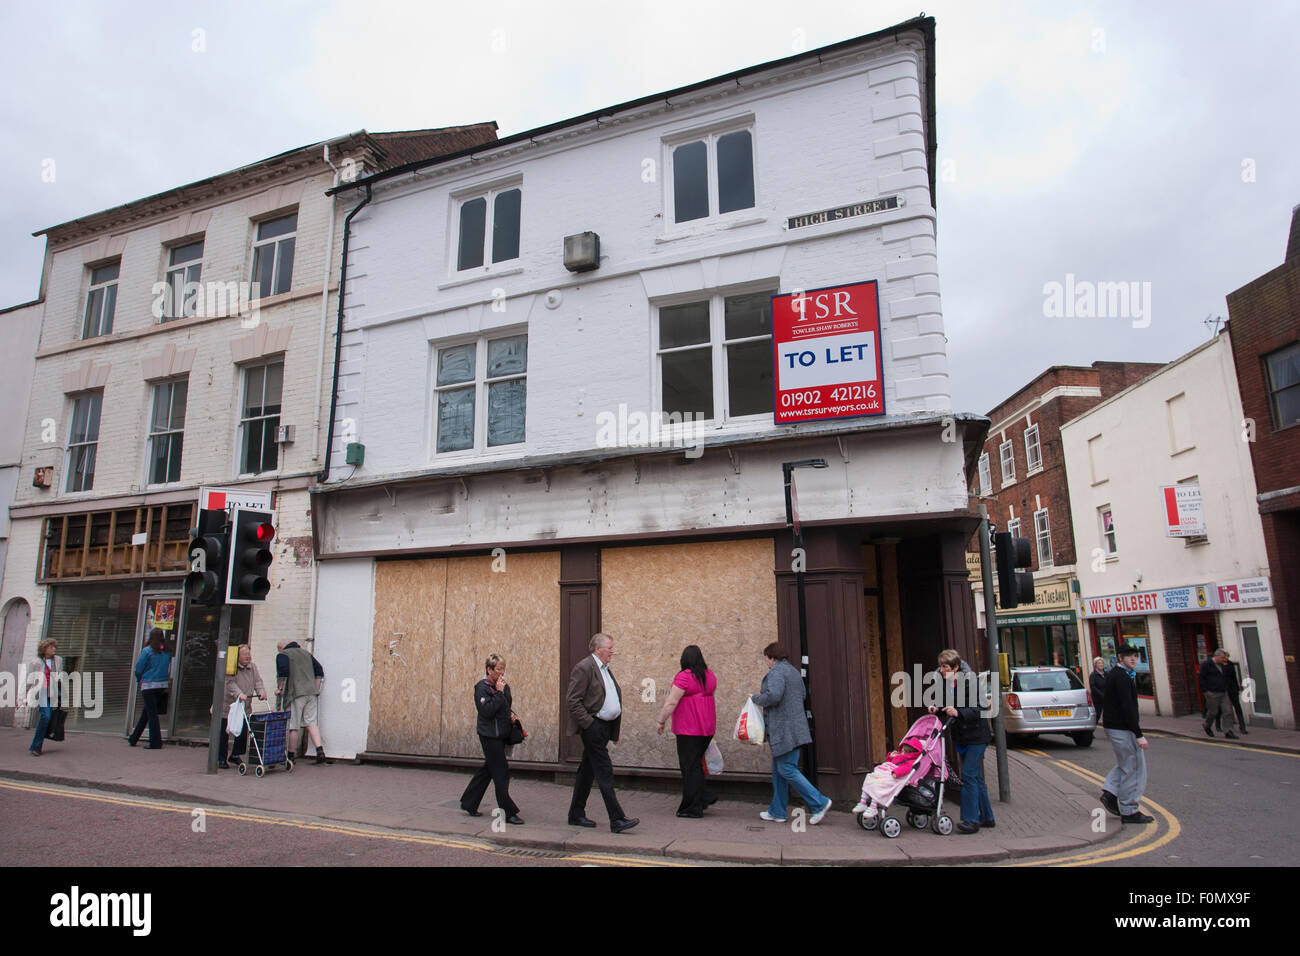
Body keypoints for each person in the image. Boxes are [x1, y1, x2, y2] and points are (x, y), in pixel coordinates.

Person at [750, 642, 831, 825]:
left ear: (772, 657)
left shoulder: (777, 672)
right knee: (779, 771)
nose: (766, 663)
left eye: (766, 659)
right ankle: (777, 811)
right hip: (795, 729)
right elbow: (802, 695)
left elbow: (774, 696)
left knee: (786, 769)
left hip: (784, 730)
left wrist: (756, 698)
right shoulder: (793, 672)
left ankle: (820, 802)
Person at [566, 633, 638, 833]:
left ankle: (575, 814)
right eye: (609, 647)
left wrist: (613, 728)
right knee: (604, 771)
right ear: (598, 649)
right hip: (593, 728)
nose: (612, 651)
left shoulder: (604, 668)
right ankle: (617, 819)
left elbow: (609, 698)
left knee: (587, 772)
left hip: (604, 728)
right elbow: (573, 701)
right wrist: (589, 725)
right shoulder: (584, 667)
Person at [929, 648, 994, 834]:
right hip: (962, 736)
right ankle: (987, 817)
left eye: (945, 667)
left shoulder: (970, 683)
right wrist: (938, 709)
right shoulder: (945, 682)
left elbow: (980, 708)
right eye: (941, 666)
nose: (942, 670)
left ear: (956, 667)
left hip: (976, 737)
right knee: (976, 778)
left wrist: (958, 713)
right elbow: (948, 705)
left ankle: (970, 820)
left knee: (968, 776)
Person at [460, 654, 523, 825]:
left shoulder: (503, 686)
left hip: (501, 734)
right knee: (501, 773)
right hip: (489, 736)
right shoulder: (482, 688)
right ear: (489, 670)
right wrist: (498, 693)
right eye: (498, 670)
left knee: (488, 769)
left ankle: (469, 802)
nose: (502, 673)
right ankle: (507, 812)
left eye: (503, 669)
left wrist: (510, 715)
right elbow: (486, 711)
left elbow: (506, 704)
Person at [655, 645, 718, 818]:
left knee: (689, 767)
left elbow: (671, 702)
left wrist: (661, 721)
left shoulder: (684, 677)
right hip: (707, 727)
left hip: (688, 728)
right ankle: (704, 796)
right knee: (695, 764)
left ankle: (692, 807)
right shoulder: (710, 675)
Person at [1100, 642, 1153, 824]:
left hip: (1115, 726)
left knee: (1125, 763)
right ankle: (1130, 810)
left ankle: (1110, 791)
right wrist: (1138, 734)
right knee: (1135, 767)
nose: (1133, 658)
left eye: (1135, 655)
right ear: (1120, 658)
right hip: (1122, 728)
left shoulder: (1119, 674)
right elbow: (1127, 707)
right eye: (1129, 655)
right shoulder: (1121, 677)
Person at [276, 640, 332, 764]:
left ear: (280, 648)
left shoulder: (283, 655)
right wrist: (315, 689)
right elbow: (319, 670)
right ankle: (319, 750)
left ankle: (290, 755)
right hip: (311, 692)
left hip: (296, 693)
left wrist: (280, 689)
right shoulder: (306, 653)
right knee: (311, 722)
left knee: (293, 726)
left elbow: (283, 673)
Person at [221, 644, 266, 769]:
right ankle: (221, 758)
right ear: (237, 656)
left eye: (248, 654)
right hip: (229, 705)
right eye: (244, 654)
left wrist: (261, 692)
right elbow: (230, 683)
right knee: (224, 732)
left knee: (243, 731)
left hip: (244, 705)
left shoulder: (253, 667)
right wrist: (239, 693)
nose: (247, 657)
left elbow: (258, 681)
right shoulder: (231, 667)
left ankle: (235, 754)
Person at [128, 629, 172, 750]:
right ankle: (133, 738)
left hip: (148, 685)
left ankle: (156, 742)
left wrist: (139, 678)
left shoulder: (147, 651)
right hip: (162, 685)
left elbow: (138, 668)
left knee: (152, 714)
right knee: (147, 713)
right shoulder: (166, 651)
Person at [28, 639, 62, 756]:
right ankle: (36, 746)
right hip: (41, 692)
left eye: (54, 647)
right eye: (51, 647)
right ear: (44, 649)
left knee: (49, 718)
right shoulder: (36, 662)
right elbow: (30, 680)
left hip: (52, 692)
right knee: (46, 716)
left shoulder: (58, 660)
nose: (54, 649)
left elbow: (59, 677)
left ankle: (36, 746)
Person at [1198, 649, 1239, 739]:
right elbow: (1201, 678)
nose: (1224, 659)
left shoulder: (1224, 665)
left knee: (1228, 711)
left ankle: (1228, 731)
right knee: (1213, 712)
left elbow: (1229, 675)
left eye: (1225, 657)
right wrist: (1205, 691)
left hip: (1223, 692)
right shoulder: (1206, 664)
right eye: (1222, 657)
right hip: (1212, 692)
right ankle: (1207, 725)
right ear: (1216, 656)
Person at [1220, 651, 1248, 735]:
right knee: (1226, 710)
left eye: (1227, 657)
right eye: (1224, 657)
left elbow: (1234, 677)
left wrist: (1237, 688)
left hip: (1232, 689)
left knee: (1238, 708)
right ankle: (1222, 726)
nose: (1226, 658)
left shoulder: (1230, 664)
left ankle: (1242, 727)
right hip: (1224, 690)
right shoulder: (1219, 666)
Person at [1089, 657, 1108, 730]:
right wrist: (1102, 695)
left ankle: (1108, 729)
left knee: (1108, 715)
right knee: (1097, 715)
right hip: (1098, 699)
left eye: (1102, 663)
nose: (1101, 665)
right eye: (1099, 663)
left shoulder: (1107, 674)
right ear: (1095, 665)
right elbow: (1093, 687)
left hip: (1107, 698)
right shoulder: (1093, 675)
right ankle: (1091, 730)